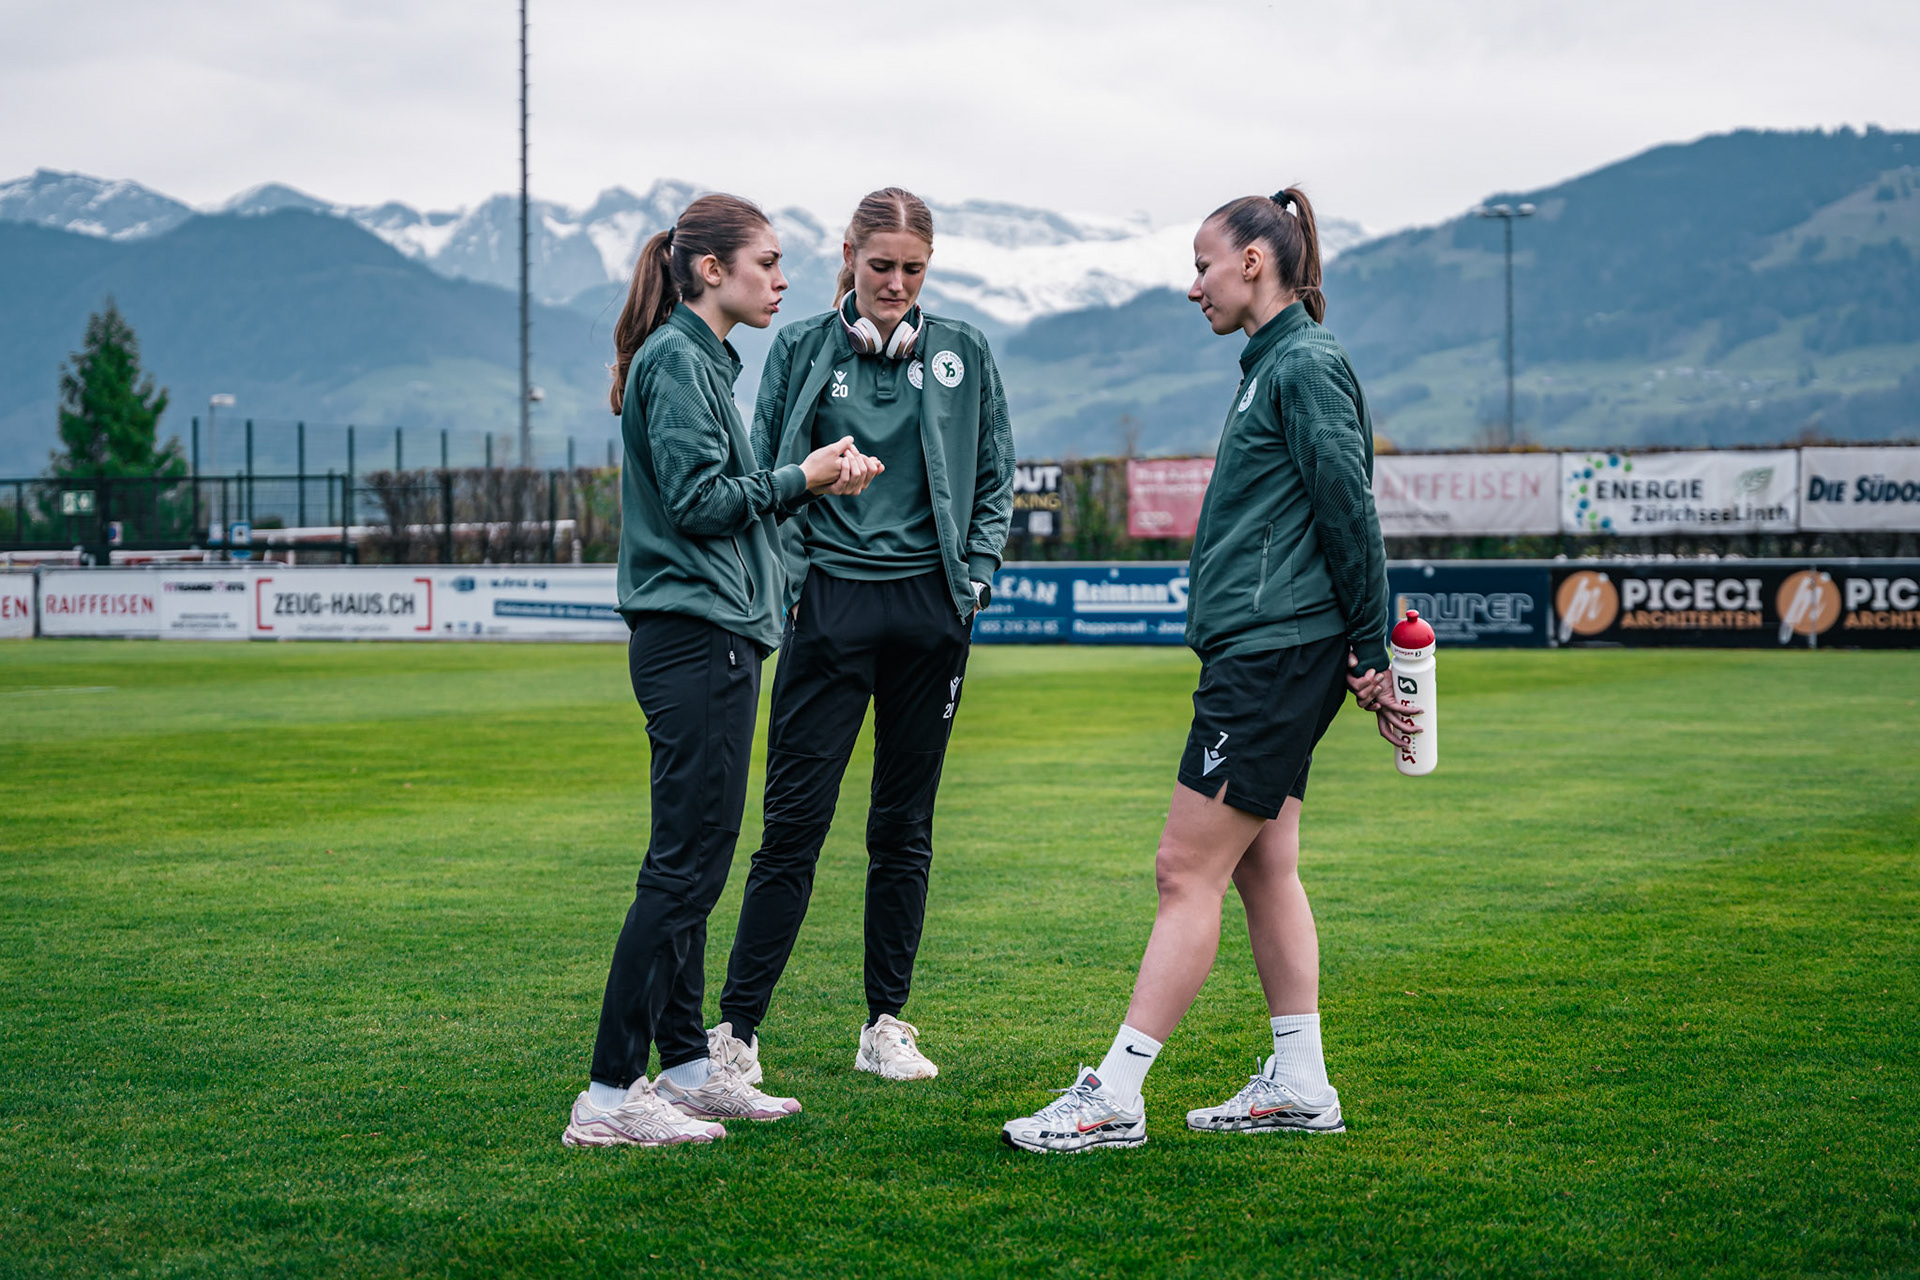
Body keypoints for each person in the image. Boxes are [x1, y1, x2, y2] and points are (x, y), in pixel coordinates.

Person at [1000, 187, 1421, 1153]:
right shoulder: (1272, 363)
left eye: (1203, 266)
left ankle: (1114, 1094)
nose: (1194, 287)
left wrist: (1369, 649)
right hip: (1269, 648)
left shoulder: (1303, 364)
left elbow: (1349, 509)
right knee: (1265, 864)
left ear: (1253, 263)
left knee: (1184, 869)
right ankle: (1301, 1082)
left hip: (1274, 654)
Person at [563, 194, 883, 1148]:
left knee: (697, 859)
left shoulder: (700, 359)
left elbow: (723, 502)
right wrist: (802, 477)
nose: (783, 280)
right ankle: (609, 1094)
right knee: (684, 865)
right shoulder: (676, 360)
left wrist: (805, 482)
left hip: (719, 631)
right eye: (768, 263)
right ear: (712, 270)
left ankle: (689, 1069)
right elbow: (702, 502)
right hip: (694, 635)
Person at [705, 187, 1015, 1087]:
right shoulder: (803, 346)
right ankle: (736, 1032)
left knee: (903, 828)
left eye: (913, 269)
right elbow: (766, 469)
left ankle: (886, 1025)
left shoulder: (963, 351)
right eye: (881, 266)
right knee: (792, 828)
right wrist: (795, 585)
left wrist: (976, 576)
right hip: (830, 609)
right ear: (848, 257)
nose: (896, 284)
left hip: (932, 614)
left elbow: (994, 473)